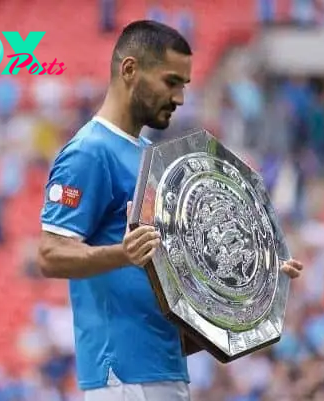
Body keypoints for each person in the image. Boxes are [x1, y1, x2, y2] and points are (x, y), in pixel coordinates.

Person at [37, 20, 304, 401]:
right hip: (123, 379)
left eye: (184, 85)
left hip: (166, 369)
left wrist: (259, 281)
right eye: (171, 82)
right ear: (130, 70)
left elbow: (174, 301)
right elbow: (49, 254)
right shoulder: (90, 151)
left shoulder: (151, 158)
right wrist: (120, 253)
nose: (179, 97)